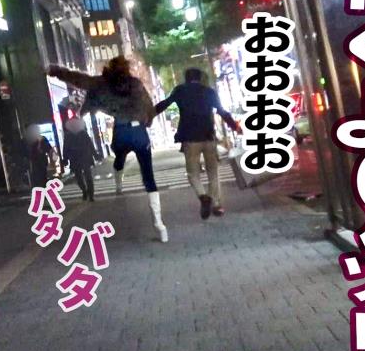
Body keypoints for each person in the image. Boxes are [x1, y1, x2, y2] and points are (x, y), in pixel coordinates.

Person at [47, 56, 169, 242]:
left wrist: (55, 70)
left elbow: (78, 79)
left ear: (110, 68)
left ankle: (119, 182)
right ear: (126, 69)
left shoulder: (101, 83)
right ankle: (160, 225)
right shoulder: (135, 84)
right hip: (139, 132)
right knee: (148, 176)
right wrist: (147, 122)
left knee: (119, 157)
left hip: (120, 131)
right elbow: (149, 108)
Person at [155, 67, 240, 219]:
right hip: (208, 136)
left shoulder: (180, 90)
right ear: (200, 78)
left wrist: (148, 116)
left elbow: (164, 104)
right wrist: (235, 127)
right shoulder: (209, 92)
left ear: (186, 78)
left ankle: (203, 196)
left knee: (193, 174)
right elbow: (222, 111)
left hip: (190, 139)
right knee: (213, 172)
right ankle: (216, 204)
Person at [62, 116, 97, 201]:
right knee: (82, 177)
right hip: (80, 157)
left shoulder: (80, 134)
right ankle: (86, 191)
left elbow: (90, 144)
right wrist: (65, 158)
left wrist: (65, 158)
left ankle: (89, 193)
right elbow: (66, 148)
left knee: (83, 176)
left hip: (80, 157)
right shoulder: (71, 135)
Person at [25, 124, 54, 189]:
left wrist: (51, 161)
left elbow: (49, 149)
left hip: (40, 160)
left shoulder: (42, 139)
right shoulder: (27, 140)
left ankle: (42, 189)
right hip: (34, 161)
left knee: (42, 176)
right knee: (37, 177)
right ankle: (41, 189)